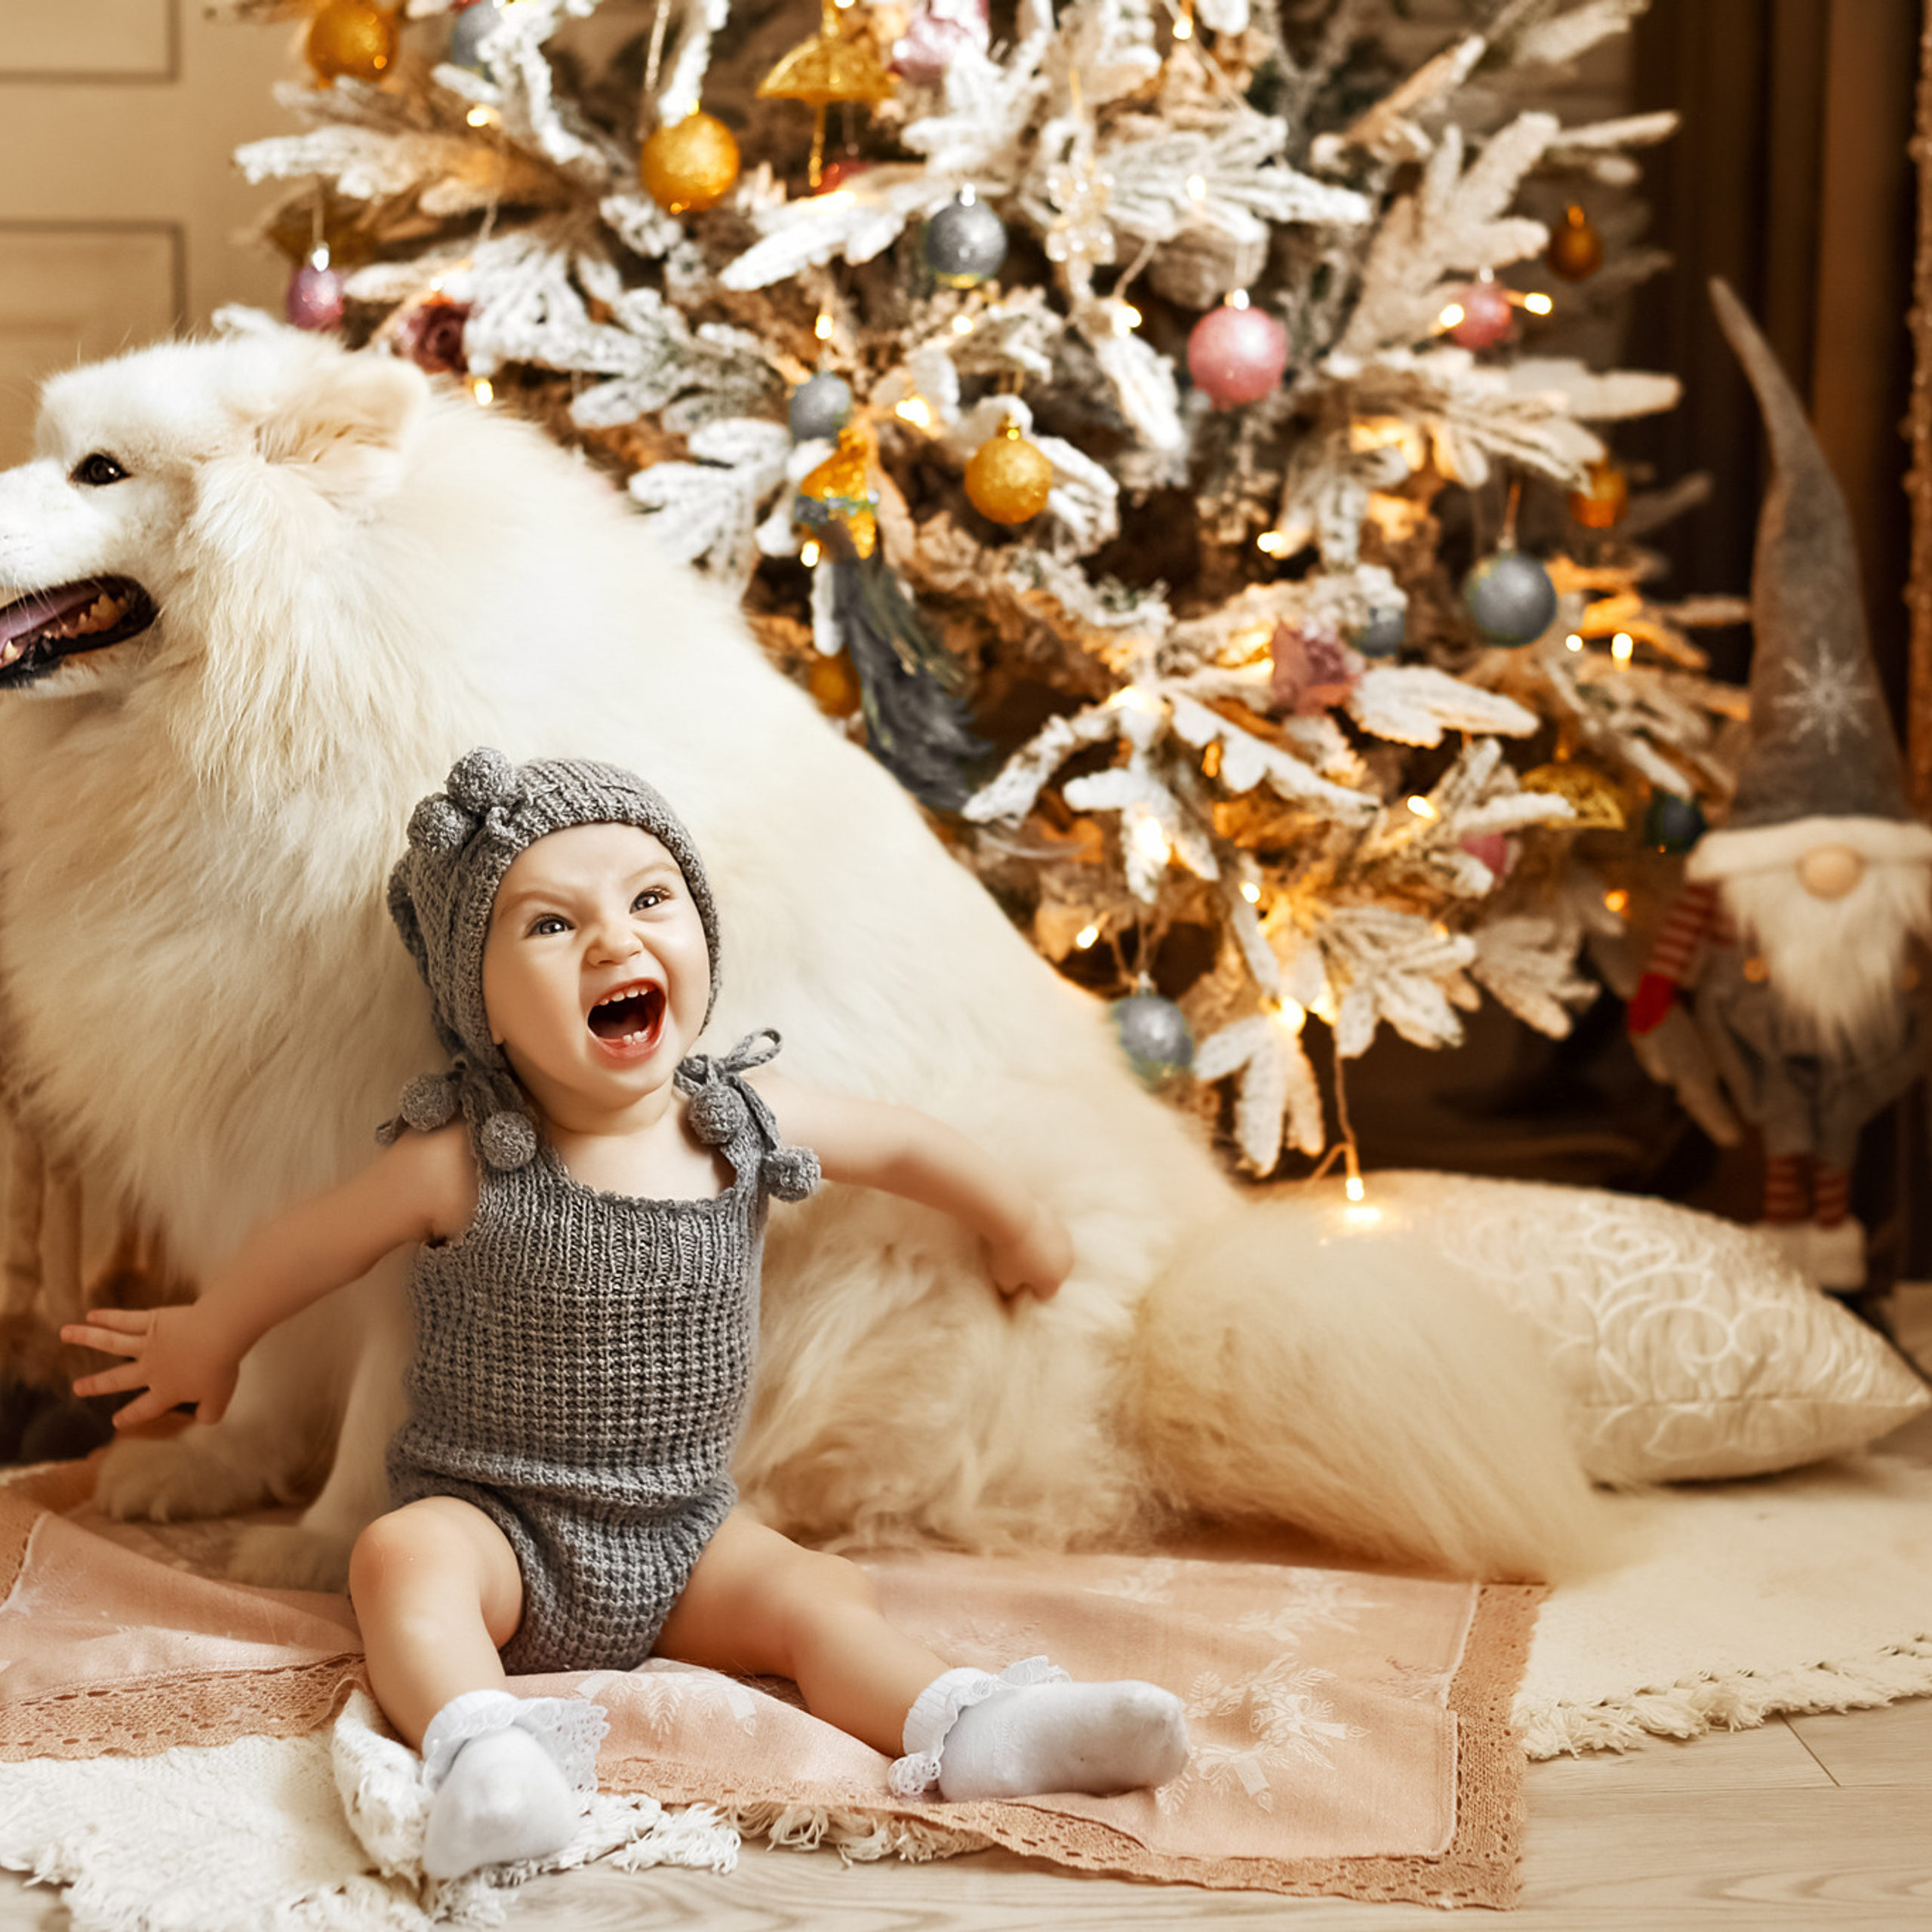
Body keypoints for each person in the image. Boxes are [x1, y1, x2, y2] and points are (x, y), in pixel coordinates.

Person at [62, 751, 1189, 1881]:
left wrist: (1021, 1222)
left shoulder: (741, 1122)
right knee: (399, 1559)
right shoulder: (466, 1163)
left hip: (686, 1538)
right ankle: (484, 1756)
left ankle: (970, 1724)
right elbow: (309, 1243)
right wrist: (212, 1332)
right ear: (480, 1002)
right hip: (498, 1524)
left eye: (651, 899)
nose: (614, 940)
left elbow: (903, 1143)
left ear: (699, 935)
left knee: (813, 1597)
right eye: (551, 926)